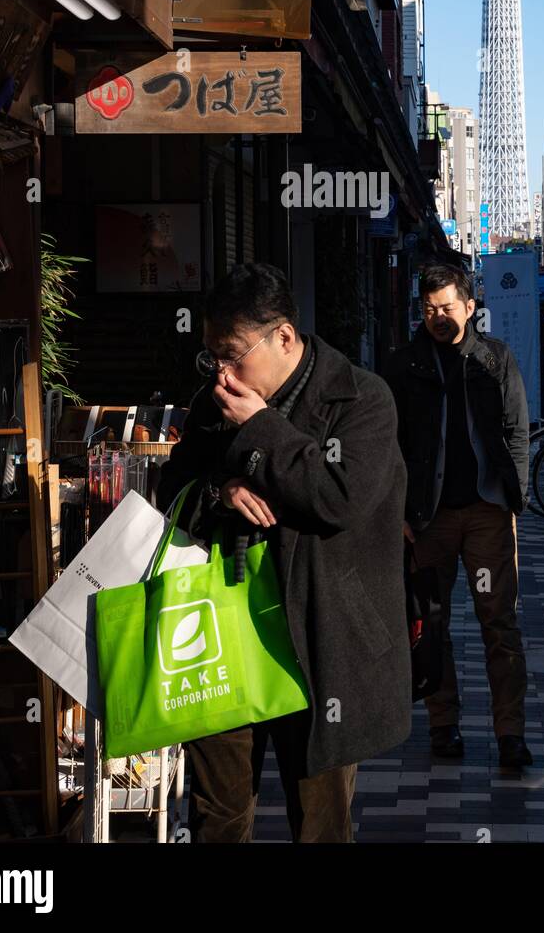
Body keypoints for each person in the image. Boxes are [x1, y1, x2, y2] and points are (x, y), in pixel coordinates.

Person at [156, 262, 412, 843]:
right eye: (211, 357)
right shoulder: (214, 403)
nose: (221, 372)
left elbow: (337, 499)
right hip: (222, 637)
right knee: (217, 816)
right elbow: (172, 489)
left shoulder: (362, 400)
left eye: (232, 353)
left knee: (320, 823)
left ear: (285, 337)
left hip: (322, 644)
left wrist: (262, 427)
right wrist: (221, 492)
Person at [385, 264, 532, 769]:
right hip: (430, 517)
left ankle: (510, 731)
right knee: (430, 621)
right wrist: (401, 512)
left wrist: (516, 500)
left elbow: (517, 431)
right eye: (428, 310)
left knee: (500, 622)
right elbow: (391, 446)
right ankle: (443, 724)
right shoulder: (403, 366)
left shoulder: (495, 359)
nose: (438, 317)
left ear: (470, 307)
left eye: (447, 307)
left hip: (488, 509)